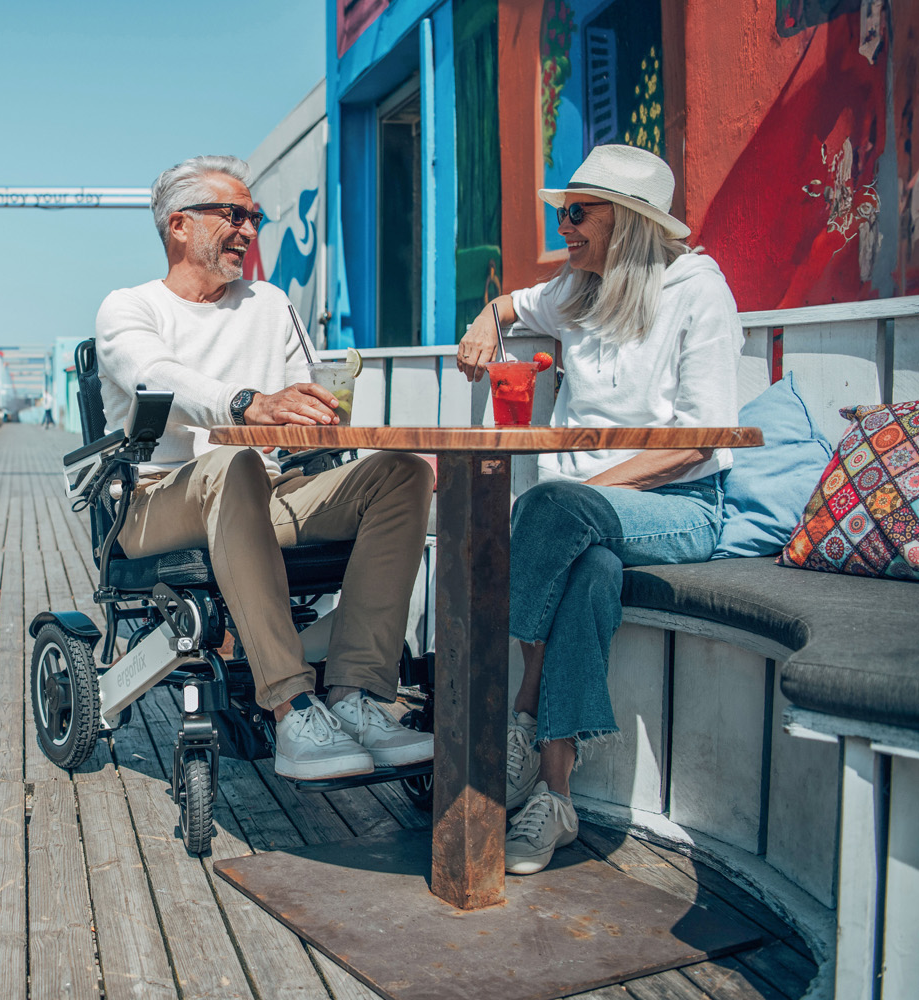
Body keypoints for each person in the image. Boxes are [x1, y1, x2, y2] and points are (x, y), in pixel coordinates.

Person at [96, 155, 435, 781]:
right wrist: (249, 402)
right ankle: (290, 705)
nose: (250, 229)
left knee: (403, 473)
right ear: (178, 225)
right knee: (232, 462)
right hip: (155, 503)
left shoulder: (271, 305)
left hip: (267, 491)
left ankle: (357, 695)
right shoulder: (130, 308)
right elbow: (157, 378)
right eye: (234, 214)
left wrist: (320, 413)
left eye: (254, 217)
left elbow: (305, 398)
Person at [456, 144, 742, 874]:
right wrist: (491, 314)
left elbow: (697, 442)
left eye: (578, 212)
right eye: (563, 211)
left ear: (632, 221)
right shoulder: (579, 288)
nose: (565, 226)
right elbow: (517, 301)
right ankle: (555, 798)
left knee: (556, 510)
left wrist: (594, 492)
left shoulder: (697, 290)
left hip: (678, 506)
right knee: (590, 574)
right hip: (581, 525)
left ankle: (517, 705)